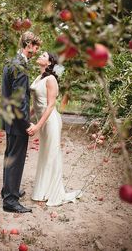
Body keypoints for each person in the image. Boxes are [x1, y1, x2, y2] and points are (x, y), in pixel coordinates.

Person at [27, 51, 82, 206]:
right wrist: (28, 117)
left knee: (51, 155)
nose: (40, 56)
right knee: (44, 154)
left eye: (43, 55)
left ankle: (53, 193)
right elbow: (37, 103)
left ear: (50, 63)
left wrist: (37, 125)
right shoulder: (39, 77)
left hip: (50, 122)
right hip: (42, 120)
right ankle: (42, 191)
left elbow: (50, 105)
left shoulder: (51, 79)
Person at [1, 31, 41, 213]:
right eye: (35, 46)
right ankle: (10, 201)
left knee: (10, 157)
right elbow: (19, 101)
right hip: (17, 123)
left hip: (9, 119)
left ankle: (9, 190)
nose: (37, 50)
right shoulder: (21, 67)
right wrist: (27, 124)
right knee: (16, 160)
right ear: (28, 44)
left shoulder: (12, 61)